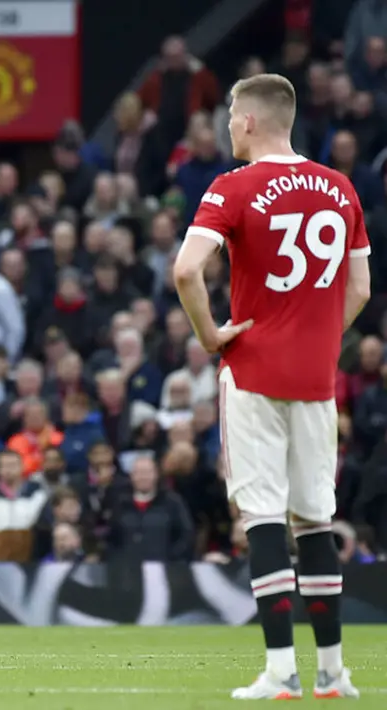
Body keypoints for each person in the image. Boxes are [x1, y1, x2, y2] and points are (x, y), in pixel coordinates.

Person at [174, 74, 369, 701]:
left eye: (232, 114)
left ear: (252, 120)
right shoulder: (341, 188)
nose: (228, 125)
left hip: (254, 371)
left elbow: (185, 271)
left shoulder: (232, 187)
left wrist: (210, 336)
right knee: (315, 521)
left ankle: (282, 671)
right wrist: (317, 339)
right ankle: (333, 673)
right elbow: (360, 289)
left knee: (262, 518)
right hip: (317, 380)